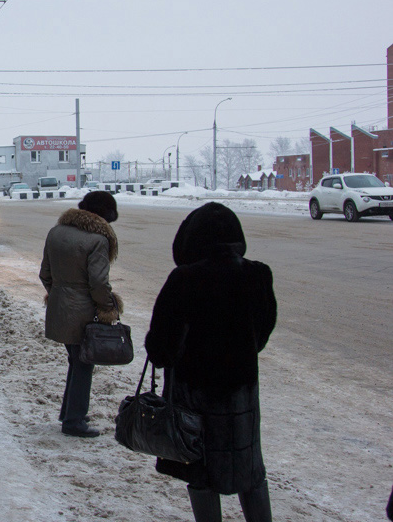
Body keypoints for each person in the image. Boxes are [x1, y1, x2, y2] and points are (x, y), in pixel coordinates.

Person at [145, 202, 276, 522]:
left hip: (195, 398)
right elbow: (262, 331)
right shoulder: (257, 273)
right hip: (242, 394)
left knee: (201, 473)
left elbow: (161, 347)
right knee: (250, 469)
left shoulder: (184, 279)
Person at [39, 191, 122, 438]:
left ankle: (69, 412)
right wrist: (108, 307)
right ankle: (74, 421)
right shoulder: (98, 240)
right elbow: (98, 283)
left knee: (76, 361)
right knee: (84, 364)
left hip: (59, 308)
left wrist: (59, 295)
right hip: (84, 312)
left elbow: (45, 274)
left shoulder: (56, 232)